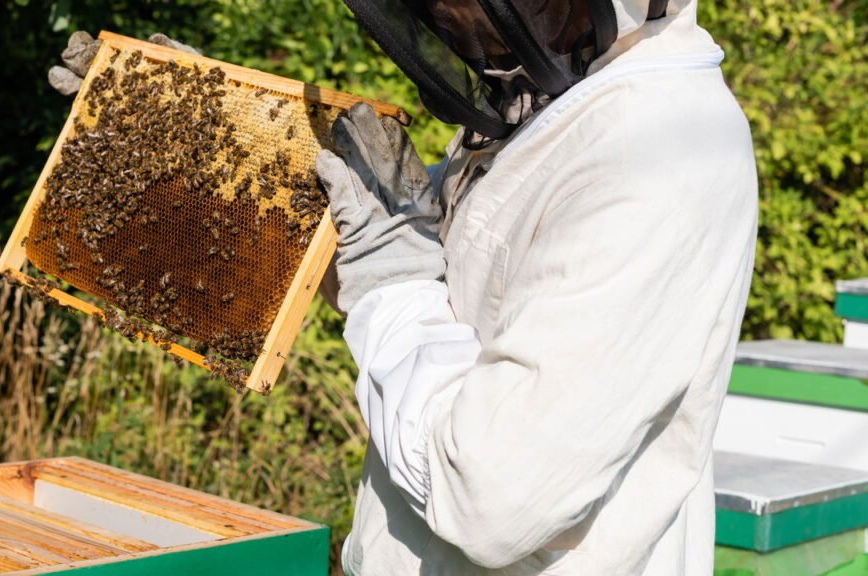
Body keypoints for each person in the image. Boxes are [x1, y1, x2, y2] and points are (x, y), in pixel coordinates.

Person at [50, 0, 757, 572]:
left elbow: (490, 499)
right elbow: (391, 271)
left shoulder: (659, 154)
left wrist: (389, 267)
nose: (449, 20)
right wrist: (194, 129)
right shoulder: (546, 105)